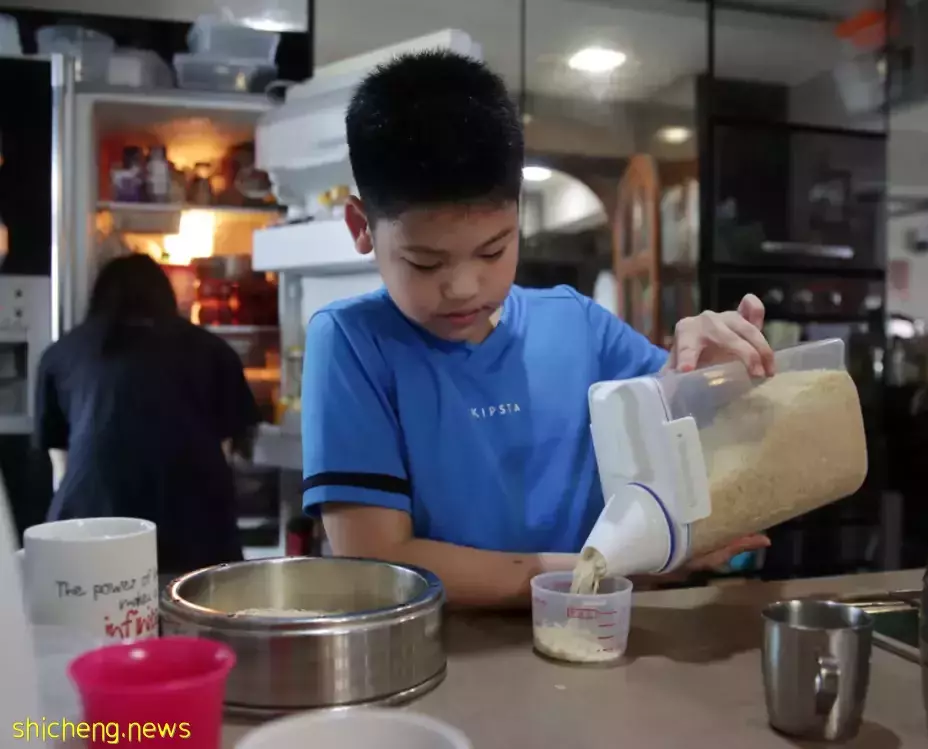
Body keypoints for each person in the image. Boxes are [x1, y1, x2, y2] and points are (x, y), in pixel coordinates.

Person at [302, 50, 773, 608]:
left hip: (600, 649)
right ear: (362, 227)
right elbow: (378, 564)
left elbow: (700, 431)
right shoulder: (354, 344)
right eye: (426, 262)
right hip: (434, 664)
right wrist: (605, 571)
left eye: (493, 249)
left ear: (518, 214)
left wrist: (717, 369)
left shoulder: (576, 325)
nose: (464, 286)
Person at [33, 253, 261, 575]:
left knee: (97, 621)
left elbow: (62, 467)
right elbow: (223, 452)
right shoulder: (213, 351)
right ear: (165, 296)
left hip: (92, 531)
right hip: (195, 534)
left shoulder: (60, 355)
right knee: (191, 620)